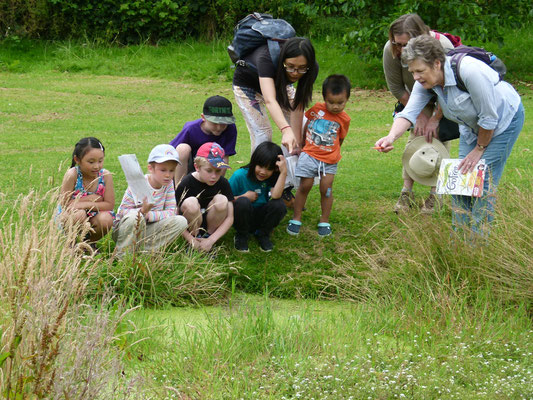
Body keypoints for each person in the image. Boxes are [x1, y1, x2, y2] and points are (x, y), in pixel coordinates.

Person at [375, 35, 524, 236]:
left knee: (482, 183)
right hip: (471, 128)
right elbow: (408, 113)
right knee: (459, 183)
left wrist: (479, 150)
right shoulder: (425, 81)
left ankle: (479, 243)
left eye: (420, 71)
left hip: (504, 122)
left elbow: (489, 118)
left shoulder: (470, 71)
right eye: (412, 72)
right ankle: (460, 241)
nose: (416, 77)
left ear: (437, 63)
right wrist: (390, 137)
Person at [383, 13, 457, 214]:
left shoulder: (444, 47)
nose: (401, 50)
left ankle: (436, 194)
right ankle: (406, 192)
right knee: (416, 134)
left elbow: (450, 88)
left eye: (406, 44)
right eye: (396, 43)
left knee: (440, 135)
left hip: (444, 95)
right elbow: (397, 88)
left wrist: (436, 117)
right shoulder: (391, 50)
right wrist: (419, 116)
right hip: (414, 95)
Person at [286, 75, 351, 237]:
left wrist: (333, 152)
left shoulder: (344, 119)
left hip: (329, 161)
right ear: (324, 98)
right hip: (309, 155)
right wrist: (301, 144)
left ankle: (324, 220)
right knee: (304, 186)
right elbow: (307, 125)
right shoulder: (316, 110)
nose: (335, 107)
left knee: (326, 189)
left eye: (340, 103)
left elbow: (340, 138)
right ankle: (296, 217)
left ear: (347, 99)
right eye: (331, 102)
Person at [233, 36, 319, 154]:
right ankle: (257, 170)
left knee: (302, 127)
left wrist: (297, 142)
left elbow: (298, 104)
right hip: (248, 86)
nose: (295, 73)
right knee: (263, 134)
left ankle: (288, 167)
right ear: (283, 60)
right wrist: (285, 130)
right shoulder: (267, 57)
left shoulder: (312, 68)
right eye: (290, 66)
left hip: (280, 85)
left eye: (301, 68)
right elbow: (270, 100)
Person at [113, 144, 188, 255]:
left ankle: (144, 252)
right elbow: (122, 213)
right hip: (125, 230)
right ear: (150, 168)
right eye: (163, 170)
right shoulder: (139, 183)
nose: (168, 175)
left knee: (181, 221)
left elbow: (171, 211)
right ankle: (123, 255)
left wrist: (150, 215)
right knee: (135, 217)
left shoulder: (168, 185)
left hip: (149, 228)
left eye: (172, 170)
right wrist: (142, 212)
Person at [175, 142, 234, 252]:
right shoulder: (185, 183)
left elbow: (230, 217)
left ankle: (207, 239)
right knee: (190, 203)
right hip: (191, 224)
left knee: (222, 200)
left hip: (211, 223)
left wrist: (212, 239)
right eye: (209, 170)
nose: (214, 176)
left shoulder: (223, 183)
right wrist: (190, 239)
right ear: (197, 167)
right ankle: (195, 240)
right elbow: (174, 215)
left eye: (218, 171)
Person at [229, 142, 288, 252]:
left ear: (275, 169)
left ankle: (263, 234)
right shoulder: (239, 175)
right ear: (254, 162)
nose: (263, 172)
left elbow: (275, 195)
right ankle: (242, 235)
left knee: (279, 204)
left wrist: (283, 172)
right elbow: (224, 199)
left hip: (260, 216)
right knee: (243, 202)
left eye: (269, 169)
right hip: (242, 215)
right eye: (260, 166)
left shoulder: (270, 178)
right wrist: (243, 196)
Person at [58, 137, 115, 248]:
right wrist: (94, 198)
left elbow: (109, 205)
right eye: (91, 162)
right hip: (71, 216)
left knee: (106, 219)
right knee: (79, 214)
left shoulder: (105, 176)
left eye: (100, 161)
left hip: (94, 215)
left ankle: (88, 244)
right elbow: (65, 204)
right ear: (77, 160)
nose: (97, 166)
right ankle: (72, 244)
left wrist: (84, 203)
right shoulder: (72, 175)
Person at [170, 95, 237, 184]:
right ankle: (180, 188)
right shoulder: (191, 129)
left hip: (213, 166)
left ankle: (214, 187)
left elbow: (225, 157)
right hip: (190, 166)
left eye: (224, 123)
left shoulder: (230, 128)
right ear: (203, 117)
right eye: (214, 123)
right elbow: (171, 151)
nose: (219, 127)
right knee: (183, 148)